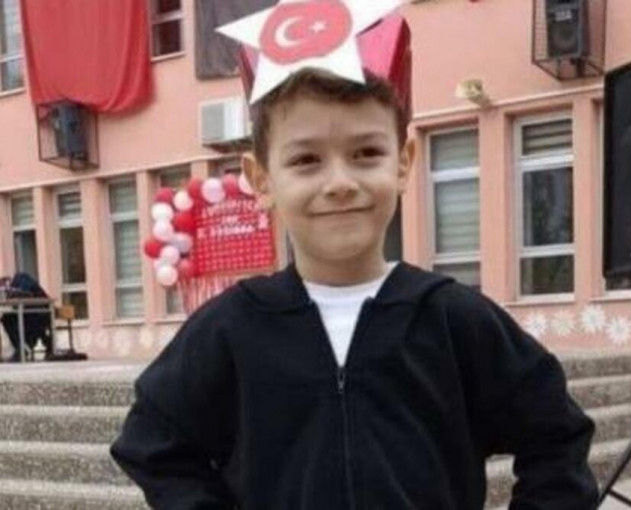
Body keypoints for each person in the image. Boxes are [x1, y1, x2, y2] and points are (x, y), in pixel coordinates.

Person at [110, 5, 598, 509]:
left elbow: (557, 437)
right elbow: (152, 443)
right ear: (262, 179)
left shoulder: (453, 319)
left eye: (366, 153)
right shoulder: (230, 328)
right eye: (306, 160)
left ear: (403, 162)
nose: (340, 183)